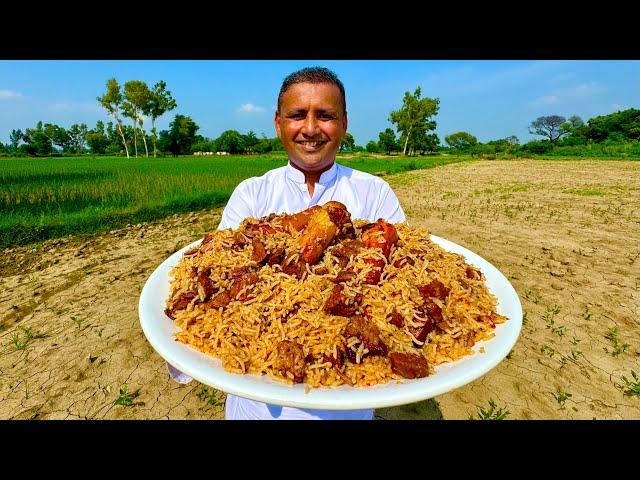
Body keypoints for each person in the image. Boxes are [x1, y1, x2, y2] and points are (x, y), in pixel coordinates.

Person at [168, 66, 406, 420]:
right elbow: (212, 277)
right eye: (298, 115)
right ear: (278, 123)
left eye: (325, 116)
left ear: (344, 123)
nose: (310, 128)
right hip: (256, 406)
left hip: (348, 403)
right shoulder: (252, 194)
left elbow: (404, 285)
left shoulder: (375, 193)